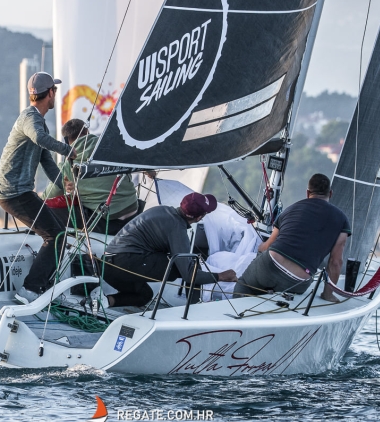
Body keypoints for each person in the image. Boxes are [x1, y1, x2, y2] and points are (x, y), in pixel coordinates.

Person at [0, 72, 76, 304]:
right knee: (56, 236)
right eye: (55, 91)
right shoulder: (30, 118)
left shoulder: (38, 121)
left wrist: (63, 183)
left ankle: (44, 285)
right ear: (50, 93)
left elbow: (46, 160)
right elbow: (39, 139)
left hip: (19, 191)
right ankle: (29, 290)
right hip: (13, 193)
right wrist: (67, 150)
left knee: (58, 234)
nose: (55, 95)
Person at [100, 192, 237, 308]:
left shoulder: (162, 210)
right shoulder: (177, 228)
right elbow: (189, 275)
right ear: (199, 217)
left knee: (144, 296)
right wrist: (221, 276)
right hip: (124, 263)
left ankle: (98, 303)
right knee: (192, 266)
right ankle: (194, 310)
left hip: (108, 265)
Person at [234, 173, 351, 302]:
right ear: (330, 194)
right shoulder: (342, 220)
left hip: (271, 263)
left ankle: (237, 314)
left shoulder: (290, 210)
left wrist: (258, 252)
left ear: (307, 193)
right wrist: (328, 295)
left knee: (244, 284)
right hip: (298, 279)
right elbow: (335, 262)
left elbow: (267, 246)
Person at [43, 118, 140, 233]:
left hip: (107, 221)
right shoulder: (113, 146)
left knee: (47, 210)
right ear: (87, 132)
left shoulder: (67, 165)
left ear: (66, 141)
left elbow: (49, 195)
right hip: (134, 211)